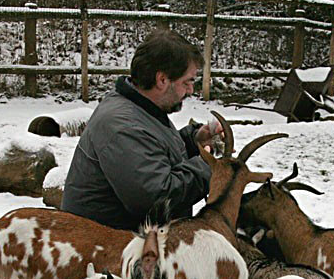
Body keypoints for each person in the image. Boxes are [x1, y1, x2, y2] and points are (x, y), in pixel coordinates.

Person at [61, 28, 222, 231]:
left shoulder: (139, 106)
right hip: (104, 249)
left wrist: (194, 141)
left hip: (125, 240)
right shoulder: (122, 125)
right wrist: (209, 166)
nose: (191, 90)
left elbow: (151, 152)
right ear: (162, 80)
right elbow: (155, 199)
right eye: (187, 82)